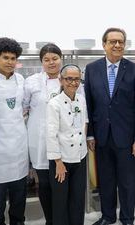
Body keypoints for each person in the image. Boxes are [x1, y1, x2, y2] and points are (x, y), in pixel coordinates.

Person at [85, 27, 135, 225]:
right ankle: (108, 216)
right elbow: (89, 104)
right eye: (112, 41)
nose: (117, 45)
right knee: (106, 181)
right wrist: (90, 135)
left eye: (121, 41)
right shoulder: (92, 69)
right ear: (104, 45)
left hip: (127, 139)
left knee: (128, 183)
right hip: (102, 138)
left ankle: (128, 218)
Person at [0, 37, 29, 225]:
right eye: (6, 58)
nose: (10, 62)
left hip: (19, 148)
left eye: (13, 58)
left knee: (19, 202)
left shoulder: (20, 79)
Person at [23, 43, 63, 225]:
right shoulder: (31, 82)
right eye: (46, 60)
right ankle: (50, 220)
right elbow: (23, 109)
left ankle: (63, 219)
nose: (51, 62)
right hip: (38, 141)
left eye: (54, 58)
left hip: (62, 142)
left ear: (60, 59)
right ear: (41, 62)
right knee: (45, 185)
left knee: (61, 185)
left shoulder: (69, 79)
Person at [46, 64, 88, 225]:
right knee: (60, 201)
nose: (73, 82)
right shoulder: (54, 104)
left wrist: (83, 145)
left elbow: (84, 122)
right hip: (61, 159)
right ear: (61, 80)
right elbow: (51, 134)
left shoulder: (81, 100)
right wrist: (58, 162)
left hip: (80, 156)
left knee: (78, 199)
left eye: (76, 79)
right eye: (69, 79)